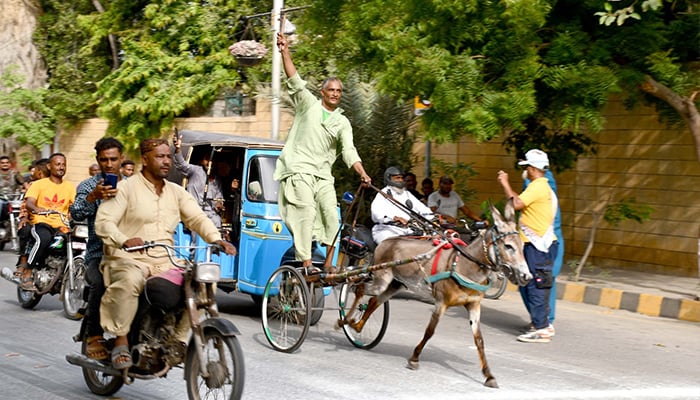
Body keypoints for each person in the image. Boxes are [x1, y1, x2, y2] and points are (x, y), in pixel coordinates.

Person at [95, 138, 236, 370]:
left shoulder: (176, 192)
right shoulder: (125, 189)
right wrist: (124, 240)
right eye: (160, 156)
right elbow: (104, 222)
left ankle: (178, 341)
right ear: (145, 159)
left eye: (169, 156)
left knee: (202, 283)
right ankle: (120, 340)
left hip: (165, 260)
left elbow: (198, 217)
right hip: (128, 258)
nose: (166, 161)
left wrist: (216, 238)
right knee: (131, 280)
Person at [274, 32, 371, 271]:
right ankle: (307, 262)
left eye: (339, 91)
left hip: (323, 175)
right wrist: (285, 51)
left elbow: (349, 150)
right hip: (300, 170)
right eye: (331, 90)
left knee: (332, 215)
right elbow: (294, 79)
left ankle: (328, 263)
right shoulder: (308, 105)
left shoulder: (342, 122)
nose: (335, 94)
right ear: (323, 91)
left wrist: (362, 172)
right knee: (305, 211)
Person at [69, 137, 126, 361]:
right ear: (98, 160)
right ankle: (94, 335)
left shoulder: (133, 185)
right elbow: (75, 214)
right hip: (98, 255)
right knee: (101, 282)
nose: (109, 164)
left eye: (113, 159)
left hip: (132, 255)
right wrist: (93, 197)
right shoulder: (88, 186)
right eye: (104, 160)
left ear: (121, 158)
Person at [497, 149, 559, 343]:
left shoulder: (538, 186)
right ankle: (541, 323)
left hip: (537, 245)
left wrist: (505, 183)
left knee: (536, 285)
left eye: (527, 167)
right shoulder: (541, 186)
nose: (525, 171)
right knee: (536, 283)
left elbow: (515, 204)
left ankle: (541, 329)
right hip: (537, 244)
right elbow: (522, 202)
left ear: (533, 168)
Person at [22, 153, 76, 290]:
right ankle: (28, 272)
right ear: (49, 166)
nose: (61, 167)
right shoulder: (39, 184)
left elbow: (75, 206)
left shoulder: (70, 186)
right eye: (58, 164)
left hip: (62, 225)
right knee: (43, 239)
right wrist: (36, 209)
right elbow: (29, 203)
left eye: (64, 164)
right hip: (42, 223)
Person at [523, 168, 564, 326]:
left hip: (541, 243)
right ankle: (539, 319)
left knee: (541, 280)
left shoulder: (541, 191)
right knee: (535, 282)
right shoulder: (543, 192)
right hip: (538, 242)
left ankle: (544, 322)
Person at [173, 134, 225, 228]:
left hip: (210, 214)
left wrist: (219, 205)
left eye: (212, 160)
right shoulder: (196, 171)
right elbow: (181, 164)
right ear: (202, 161)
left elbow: (219, 199)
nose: (209, 163)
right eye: (207, 159)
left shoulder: (217, 180)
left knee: (217, 222)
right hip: (195, 212)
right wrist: (178, 149)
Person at [371, 167, 433, 244]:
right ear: (389, 179)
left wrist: (433, 216)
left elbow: (422, 208)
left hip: (408, 229)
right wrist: (394, 218)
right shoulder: (382, 194)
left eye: (401, 178)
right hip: (387, 230)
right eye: (397, 178)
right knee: (391, 246)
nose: (400, 180)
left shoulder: (406, 193)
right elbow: (376, 213)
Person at [14, 158, 49, 278]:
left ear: (40, 171)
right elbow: (25, 205)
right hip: (34, 220)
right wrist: (25, 218)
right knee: (25, 228)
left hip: (52, 221)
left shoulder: (55, 185)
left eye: (35, 170)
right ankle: (23, 260)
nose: (32, 173)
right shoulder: (33, 186)